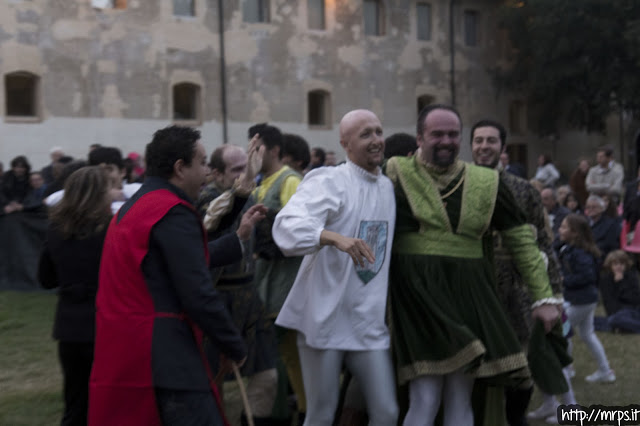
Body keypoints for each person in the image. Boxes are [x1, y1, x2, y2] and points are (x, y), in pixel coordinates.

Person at [385, 104, 559, 426]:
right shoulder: (395, 172)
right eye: (437, 134)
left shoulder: (485, 182)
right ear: (420, 137)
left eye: (453, 134)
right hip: (418, 298)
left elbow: (522, 239)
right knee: (425, 395)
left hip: (471, 295)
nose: (446, 141)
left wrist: (544, 296)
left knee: (460, 395)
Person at [89, 125, 260, 426]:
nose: (207, 171)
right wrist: (233, 344)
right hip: (162, 357)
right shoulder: (170, 210)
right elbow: (197, 290)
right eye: (203, 162)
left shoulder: (137, 205)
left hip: (131, 349)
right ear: (180, 168)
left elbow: (184, 259)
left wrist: (238, 237)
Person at [273, 109, 398, 426]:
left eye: (378, 131)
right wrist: (331, 238)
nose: (376, 140)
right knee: (321, 414)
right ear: (345, 143)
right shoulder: (330, 181)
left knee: (386, 413)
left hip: (367, 323)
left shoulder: (387, 187)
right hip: (324, 320)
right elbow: (287, 227)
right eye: (365, 134)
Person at [470, 119, 565, 426]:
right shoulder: (460, 185)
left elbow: (543, 243)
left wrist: (552, 294)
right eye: (478, 140)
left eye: (491, 141)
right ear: (471, 145)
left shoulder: (524, 190)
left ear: (503, 148)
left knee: (521, 366)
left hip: (516, 291)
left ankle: (516, 418)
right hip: (474, 289)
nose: (484, 146)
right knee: (475, 366)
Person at [196, 140, 280, 426]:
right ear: (217, 174)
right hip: (214, 301)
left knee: (268, 377)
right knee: (211, 381)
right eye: (236, 170)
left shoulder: (252, 196)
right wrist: (244, 185)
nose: (244, 174)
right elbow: (215, 218)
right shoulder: (207, 199)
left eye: (246, 169)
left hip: (248, 298)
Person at [38, 166, 113, 426]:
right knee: (104, 402)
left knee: (75, 401)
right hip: (103, 324)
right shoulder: (110, 231)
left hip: (69, 326)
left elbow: (46, 278)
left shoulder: (55, 230)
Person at [248, 123, 306, 424]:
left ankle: (294, 413)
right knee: (281, 356)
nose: (252, 154)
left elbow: (296, 233)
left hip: (286, 286)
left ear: (274, 150)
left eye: (256, 149)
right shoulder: (259, 183)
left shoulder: (289, 181)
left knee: (286, 358)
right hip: (266, 284)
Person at [557, 214, 615, 383]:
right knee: (587, 334)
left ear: (575, 233)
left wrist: (564, 280)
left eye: (564, 227)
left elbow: (587, 276)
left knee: (563, 332)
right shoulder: (569, 249)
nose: (560, 230)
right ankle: (605, 371)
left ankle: (567, 368)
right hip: (584, 300)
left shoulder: (580, 253)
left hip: (580, 301)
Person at [598, 250, 640, 333]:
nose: (619, 266)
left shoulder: (631, 277)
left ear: (626, 264)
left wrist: (621, 283)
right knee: (609, 320)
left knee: (611, 322)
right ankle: (622, 327)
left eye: (621, 264)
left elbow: (635, 299)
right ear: (610, 265)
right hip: (619, 313)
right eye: (615, 264)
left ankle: (620, 327)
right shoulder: (606, 280)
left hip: (634, 311)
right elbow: (609, 302)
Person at [584, 194, 620, 261]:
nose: (591, 209)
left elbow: (611, 244)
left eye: (594, 207)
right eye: (588, 207)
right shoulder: (583, 222)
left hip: (601, 255)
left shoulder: (610, 224)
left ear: (602, 208)